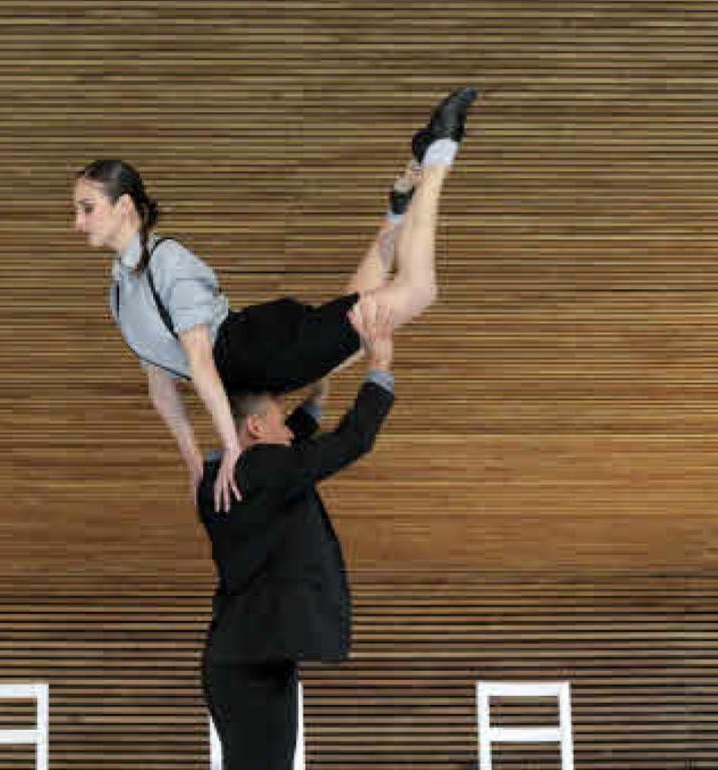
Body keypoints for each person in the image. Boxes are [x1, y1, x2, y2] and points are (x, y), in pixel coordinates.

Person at [72, 87, 478, 511]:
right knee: (354, 325)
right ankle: (398, 209)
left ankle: (438, 154)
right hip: (259, 368)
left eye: (87, 208)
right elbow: (161, 388)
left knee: (417, 292)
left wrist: (230, 448)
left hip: (261, 353)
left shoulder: (166, 260)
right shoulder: (120, 292)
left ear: (122, 206)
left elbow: (200, 361)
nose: (78, 223)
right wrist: (194, 462)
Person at [197, 301, 396, 770]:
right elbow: (350, 442)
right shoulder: (261, 470)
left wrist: (315, 398)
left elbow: (289, 454)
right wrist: (380, 366)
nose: (289, 429)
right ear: (254, 427)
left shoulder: (224, 477)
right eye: (279, 421)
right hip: (252, 665)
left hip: (244, 658)